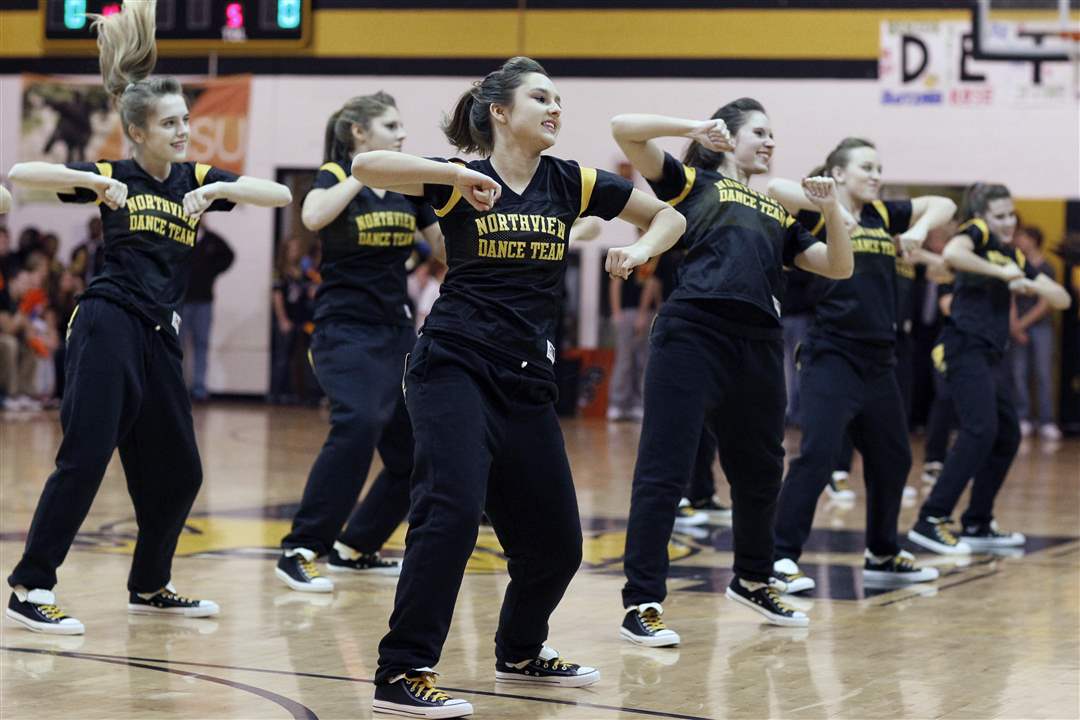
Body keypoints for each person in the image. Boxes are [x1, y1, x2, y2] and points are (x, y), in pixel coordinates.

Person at [352, 56, 685, 718]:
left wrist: (642, 247)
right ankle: (403, 669)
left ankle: (521, 650)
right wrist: (449, 172)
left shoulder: (573, 181)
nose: (556, 107)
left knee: (558, 545)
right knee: (450, 509)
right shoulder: (458, 179)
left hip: (528, 379)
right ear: (501, 112)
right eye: (541, 97)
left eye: (559, 97)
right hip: (452, 365)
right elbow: (366, 170)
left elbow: (669, 215)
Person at [4, 0, 291, 635]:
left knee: (181, 470)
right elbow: (22, 173)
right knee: (85, 455)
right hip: (107, 322)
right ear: (138, 133)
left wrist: (219, 190)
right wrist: (100, 188)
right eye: (169, 124)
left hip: (160, 334)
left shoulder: (195, 177)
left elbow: (282, 195)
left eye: (186, 119)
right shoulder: (114, 173)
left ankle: (151, 583)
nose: (183, 131)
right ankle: (30, 585)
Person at [612, 101, 855, 645]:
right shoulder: (691, 183)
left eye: (774, 134)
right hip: (693, 333)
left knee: (763, 471)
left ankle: (753, 578)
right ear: (730, 137)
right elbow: (624, 130)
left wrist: (833, 209)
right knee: (664, 470)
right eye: (760, 133)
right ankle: (643, 600)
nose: (770, 143)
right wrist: (694, 128)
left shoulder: (776, 210)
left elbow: (839, 267)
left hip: (760, 343)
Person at [768, 138, 955, 593]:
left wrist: (917, 230)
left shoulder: (884, 215)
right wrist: (832, 205)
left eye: (878, 167)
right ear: (838, 172)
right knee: (817, 456)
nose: (875, 174)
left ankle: (884, 552)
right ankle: (779, 558)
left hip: (880, 358)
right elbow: (775, 188)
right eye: (865, 167)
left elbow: (944, 203)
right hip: (831, 352)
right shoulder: (818, 211)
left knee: (892, 457)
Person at [275, 91, 442, 593]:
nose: (402, 135)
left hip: (395, 331)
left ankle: (357, 546)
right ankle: (302, 547)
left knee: (415, 453)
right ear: (359, 135)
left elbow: (444, 250)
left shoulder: (409, 188)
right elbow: (312, 217)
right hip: (343, 330)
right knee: (359, 422)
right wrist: (360, 173)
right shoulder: (334, 175)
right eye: (391, 127)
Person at [910, 184, 1070, 554]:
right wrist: (1002, 275)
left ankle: (978, 522)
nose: (1008, 221)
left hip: (990, 355)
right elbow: (953, 252)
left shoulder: (1011, 253)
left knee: (1007, 435)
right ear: (982, 216)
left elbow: (1060, 297)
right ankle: (931, 518)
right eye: (1000, 215)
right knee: (979, 429)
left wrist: (1027, 280)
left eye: (1011, 214)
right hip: (963, 347)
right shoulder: (978, 234)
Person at [1008, 226, 1061, 440]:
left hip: (1040, 327)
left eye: (1023, 237)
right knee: (1018, 373)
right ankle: (1022, 417)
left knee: (1043, 373)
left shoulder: (1046, 268)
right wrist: (1014, 325)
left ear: (1034, 240)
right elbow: (1010, 296)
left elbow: (1046, 302)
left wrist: (1023, 324)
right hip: (1017, 326)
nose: (1019, 241)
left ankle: (1046, 420)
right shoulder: (1014, 265)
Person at [181, 225, 234, 401]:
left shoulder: (211, 239)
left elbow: (229, 255)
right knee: (179, 346)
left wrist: (211, 272)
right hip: (182, 300)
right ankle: (179, 387)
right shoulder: (180, 234)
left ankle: (199, 388)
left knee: (201, 344)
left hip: (204, 301)